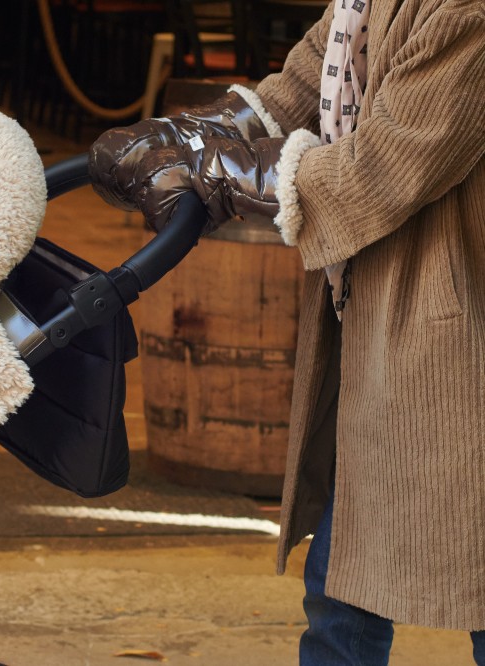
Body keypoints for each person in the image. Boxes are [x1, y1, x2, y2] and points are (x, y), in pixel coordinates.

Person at [89, 0, 485, 663]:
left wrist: (227, 174)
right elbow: (296, 89)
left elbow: (382, 168)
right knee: (338, 584)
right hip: (383, 325)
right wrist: (182, 134)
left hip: (459, 335)